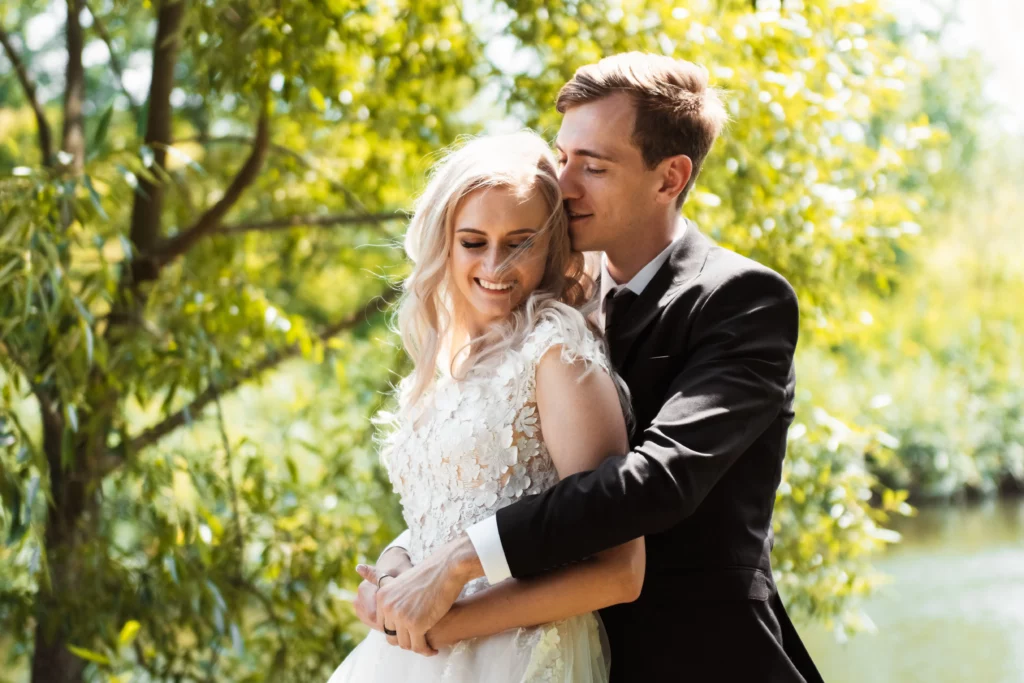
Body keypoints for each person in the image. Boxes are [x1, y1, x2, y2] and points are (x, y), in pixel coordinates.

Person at [358, 53, 825, 682]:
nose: (565, 184)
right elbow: (491, 472)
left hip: (695, 658)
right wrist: (404, 562)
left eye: (594, 167)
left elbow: (657, 480)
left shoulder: (739, 300)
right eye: (563, 157)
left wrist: (463, 559)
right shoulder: (542, 294)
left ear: (670, 177)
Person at [326, 131, 642, 682]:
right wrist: (394, 571)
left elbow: (618, 571)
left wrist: (448, 625)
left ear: (551, 247)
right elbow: (451, 511)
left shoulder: (557, 353)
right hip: (412, 655)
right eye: (474, 242)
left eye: (520, 243)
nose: (496, 265)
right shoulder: (449, 362)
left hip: (516, 656)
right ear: (443, 244)